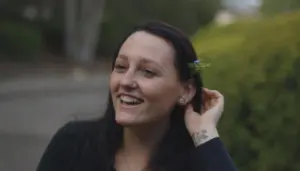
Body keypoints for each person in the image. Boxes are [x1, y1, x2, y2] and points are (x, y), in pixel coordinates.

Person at [37, 21, 238, 171]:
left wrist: (204, 131)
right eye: (121, 67)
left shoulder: (201, 162)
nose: (126, 81)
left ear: (185, 91)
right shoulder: (73, 145)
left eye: (148, 72)